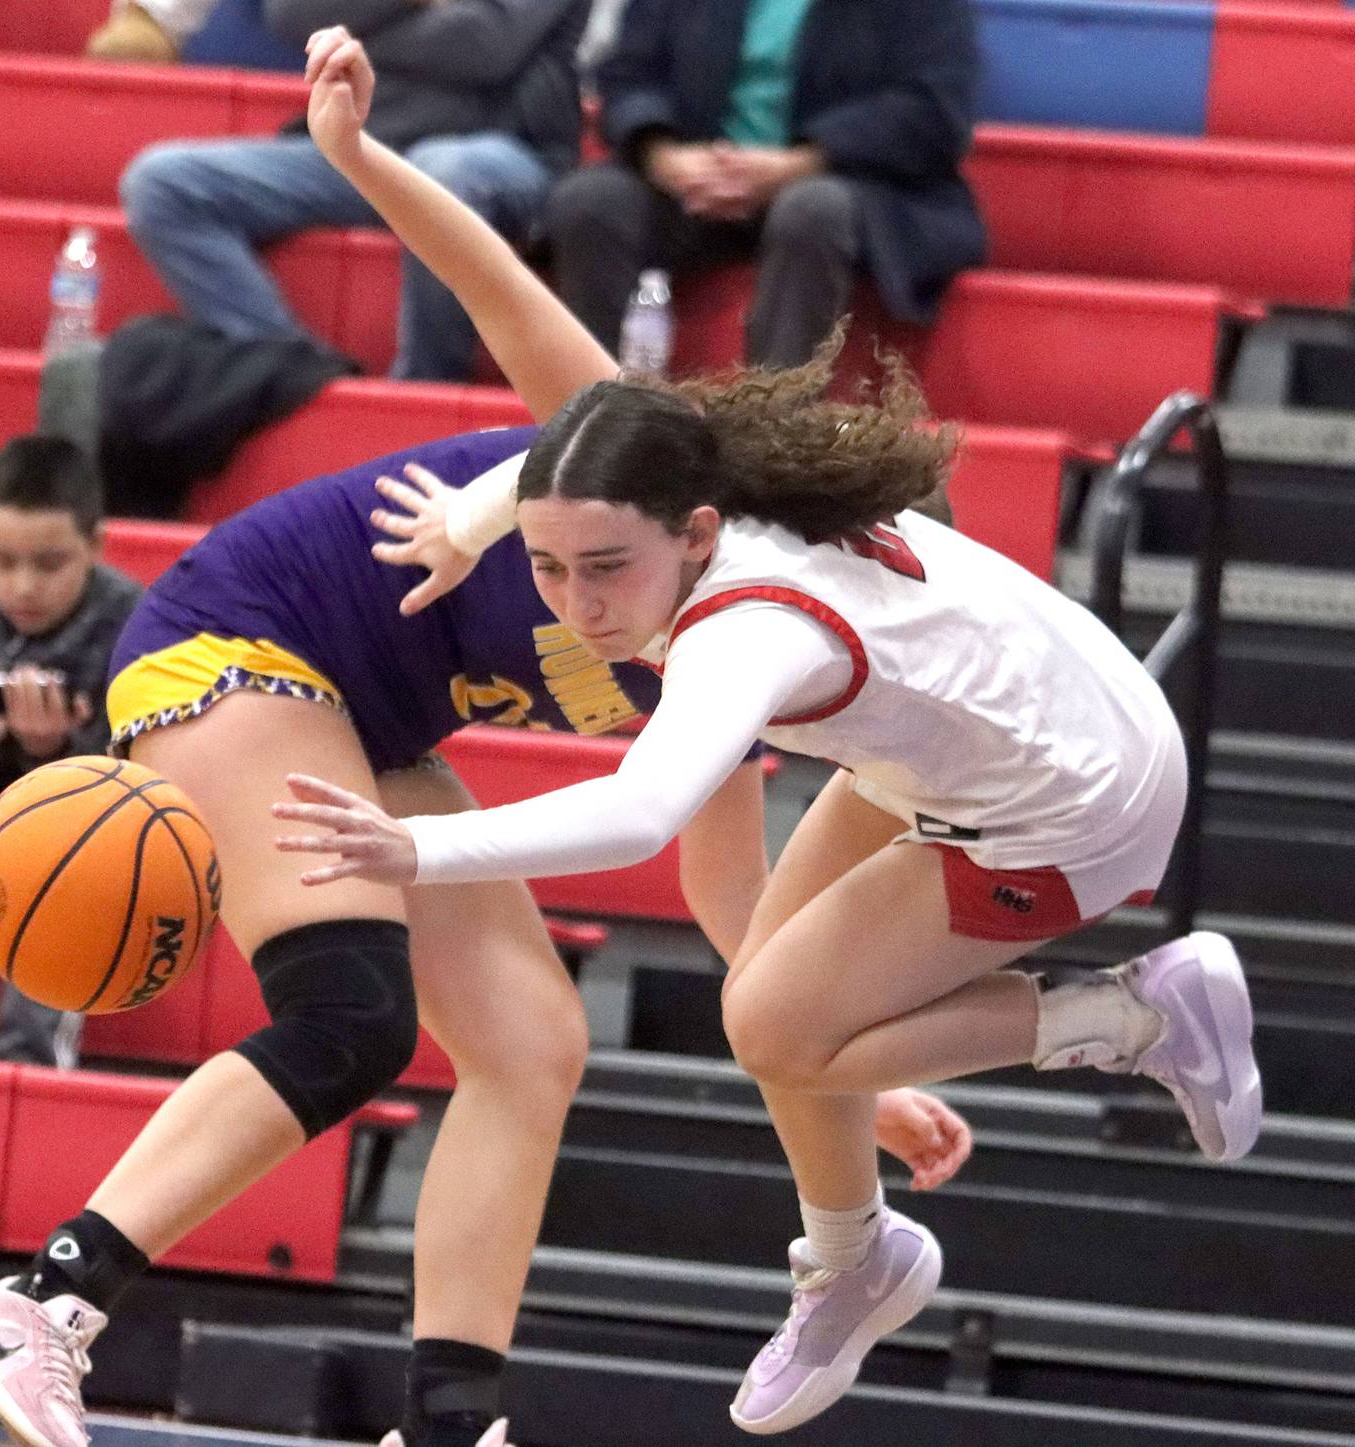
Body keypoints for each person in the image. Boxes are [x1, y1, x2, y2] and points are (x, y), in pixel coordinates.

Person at [0, 40, 976, 1447]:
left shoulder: (752, 655)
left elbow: (733, 898)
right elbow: (499, 288)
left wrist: (850, 1062)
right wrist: (358, 157)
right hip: (242, 638)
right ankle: (44, 1303)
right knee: (349, 1017)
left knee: (533, 1043)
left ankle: (445, 1418)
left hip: (371, 717)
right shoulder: (650, 460)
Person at [263, 30, 1264, 1437]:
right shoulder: (681, 459)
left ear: (693, 536)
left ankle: (1137, 1012)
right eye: (546, 568)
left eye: (602, 571)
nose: (575, 605)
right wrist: (472, 519)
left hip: (1079, 798)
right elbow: (556, 417)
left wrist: (411, 847)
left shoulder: (746, 628)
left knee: (774, 1019)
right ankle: (854, 1260)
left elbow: (636, 813)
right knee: (782, 1000)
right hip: (1004, 720)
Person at [118, 0, 590, 384]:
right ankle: (294, 372)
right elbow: (291, 14)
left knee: (442, 171)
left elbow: (485, 46)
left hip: (505, 154)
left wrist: (358, 36)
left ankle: (423, 392)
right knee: (163, 182)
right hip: (361, 146)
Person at [546, 0, 987, 369]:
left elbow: (932, 108)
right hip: (694, 180)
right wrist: (664, 157)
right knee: (589, 200)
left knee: (811, 209)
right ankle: (583, 405)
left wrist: (802, 163)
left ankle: (776, 419)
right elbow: (627, 75)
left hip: (851, 182)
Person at [0, 436, 143, 1067]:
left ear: (95, 546)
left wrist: (53, 753)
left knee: (70, 874)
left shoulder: (132, 620)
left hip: (72, 832)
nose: (23, 586)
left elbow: (131, 785)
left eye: (49, 564)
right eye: (2, 561)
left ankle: (30, 1063)